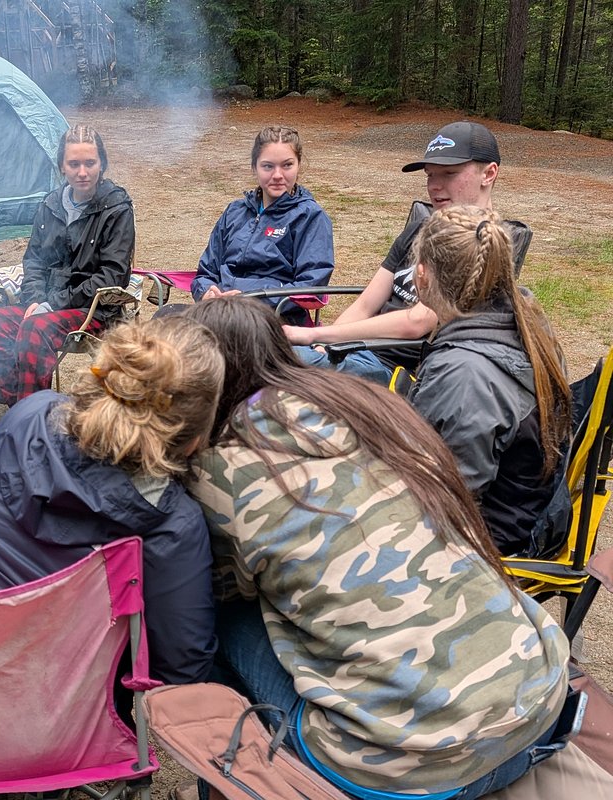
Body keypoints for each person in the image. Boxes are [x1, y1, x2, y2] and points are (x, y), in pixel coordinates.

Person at [183, 296, 571, 800]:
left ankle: (231, 777)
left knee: (205, 616)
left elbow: (216, 586)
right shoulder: (370, 405)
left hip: (411, 768)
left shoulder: (224, 468)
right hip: (539, 703)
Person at [0, 315, 222, 687]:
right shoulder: (172, 521)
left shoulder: (29, 414)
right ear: (193, 435)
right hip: (53, 726)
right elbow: (179, 670)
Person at [286, 121, 530, 384]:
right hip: (355, 353)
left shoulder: (483, 243)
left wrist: (313, 335)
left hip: (401, 373)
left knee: (264, 360)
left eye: (448, 173)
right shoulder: (419, 228)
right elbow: (366, 304)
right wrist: (327, 342)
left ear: (489, 174)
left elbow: (418, 321)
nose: (434, 186)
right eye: (429, 175)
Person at [407, 207, 570, 556]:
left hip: (481, 537)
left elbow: (449, 495)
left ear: (422, 275)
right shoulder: (523, 318)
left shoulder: (464, 373)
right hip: (519, 508)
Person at [0, 125, 135, 407]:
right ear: (62, 166)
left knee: (35, 329)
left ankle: (31, 415)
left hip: (94, 310)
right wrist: (36, 299)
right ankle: (24, 405)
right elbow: (34, 261)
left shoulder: (116, 207)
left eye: (90, 163)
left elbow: (113, 275)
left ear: (102, 164)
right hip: (48, 306)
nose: (82, 172)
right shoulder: (50, 205)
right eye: (74, 164)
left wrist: (52, 303)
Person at [191, 125, 334, 326]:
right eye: (268, 166)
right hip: (220, 311)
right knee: (164, 327)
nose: (277, 175)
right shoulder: (235, 212)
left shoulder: (310, 217)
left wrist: (251, 300)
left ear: (298, 166)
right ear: (254, 167)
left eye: (287, 165)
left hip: (274, 318)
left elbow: (311, 284)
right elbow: (206, 272)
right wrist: (206, 292)